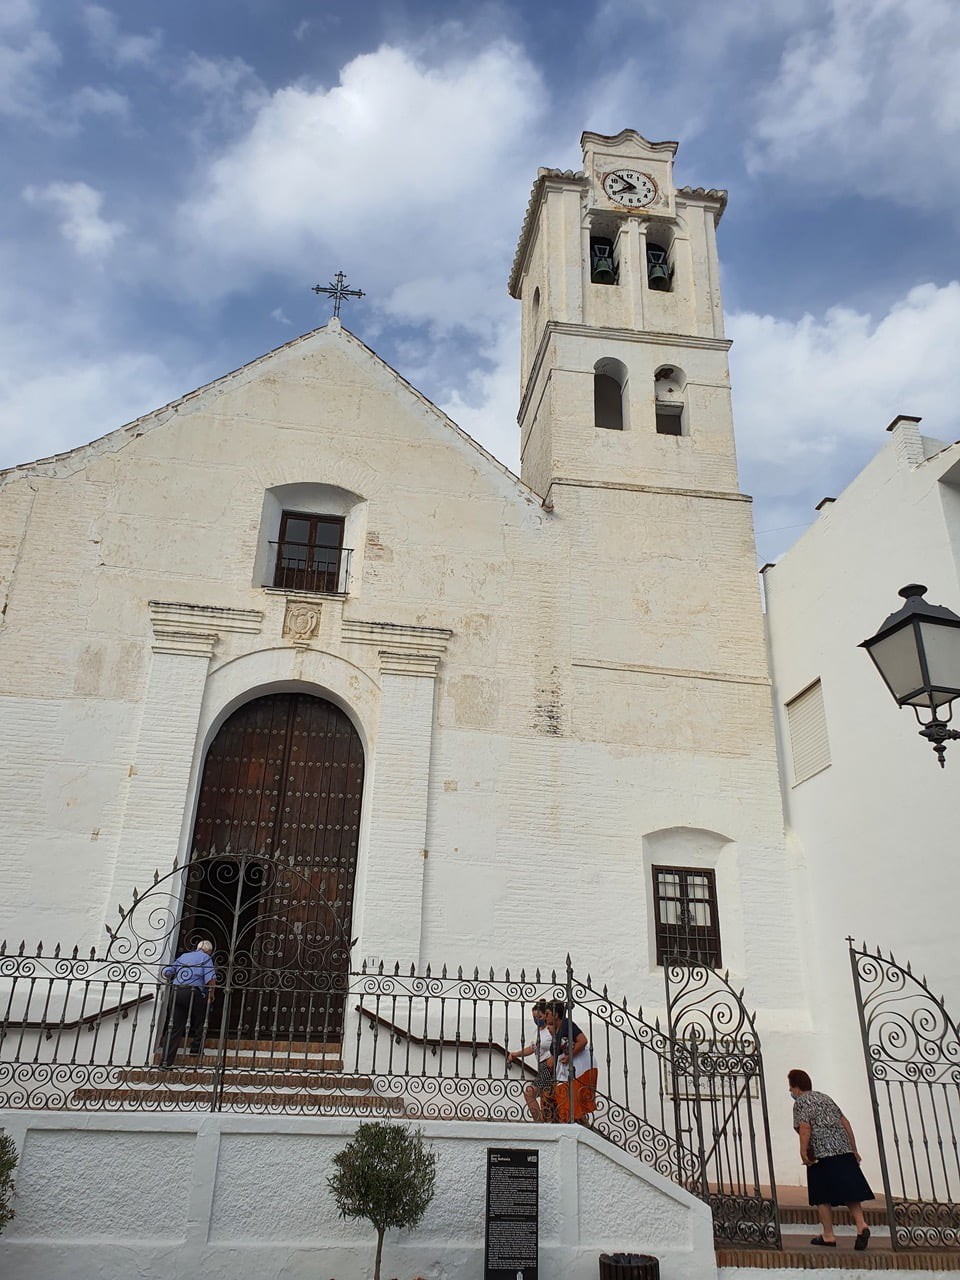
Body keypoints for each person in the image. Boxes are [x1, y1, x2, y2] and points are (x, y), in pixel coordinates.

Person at [788, 1068, 873, 1250]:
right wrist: (853, 1149)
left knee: (822, 1194)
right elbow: (845, 1122)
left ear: (797, 1087)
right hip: (843, 1150)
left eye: (791, 1087)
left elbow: (805, 1127)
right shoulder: (825, 1098)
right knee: (850, 1190)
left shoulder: (801, 1102)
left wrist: (803, 1151)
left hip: (821, 1153)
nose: (790, 1091)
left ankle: (828, 1235)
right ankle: (861, 1225)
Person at [159, 940, 217, 1069]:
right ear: (209, 951)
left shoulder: (184, 956)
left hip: (177, 991)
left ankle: (165, 1062)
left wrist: (169, 974)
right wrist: (211, 994)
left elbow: (168, 971)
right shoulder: (206, 958)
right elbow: (211, 979)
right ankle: (196, 1048)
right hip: (193, 992)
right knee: (202, 1018)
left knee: (174, 1026)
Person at [545, 1000, 598, 1123]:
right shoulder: (559, 1030)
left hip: (579, 1070)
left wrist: (570, 1056)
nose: (545, 1017)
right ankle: (581, 1127)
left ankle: (574, 1128)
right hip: (569, 1072)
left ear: (556, 1015)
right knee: (571, 1106)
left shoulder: (566, 1025)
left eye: (547, 1014)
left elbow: (583, 1040)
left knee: (570, 1105)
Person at [508, 1000, 555, 1121]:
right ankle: (545, 1123)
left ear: (546, 1015)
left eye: (539, 1017)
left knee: (530, 1093)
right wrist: (516, 1054)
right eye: (534, 1017)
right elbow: (532, 1048)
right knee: (548, 1100)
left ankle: (539, 1123)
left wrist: (553, 1057)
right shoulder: (538, 1031)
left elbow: (560, 1043)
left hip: (548, 1067)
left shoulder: (550, 1030)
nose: (536, 1020)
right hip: (542, 1067)